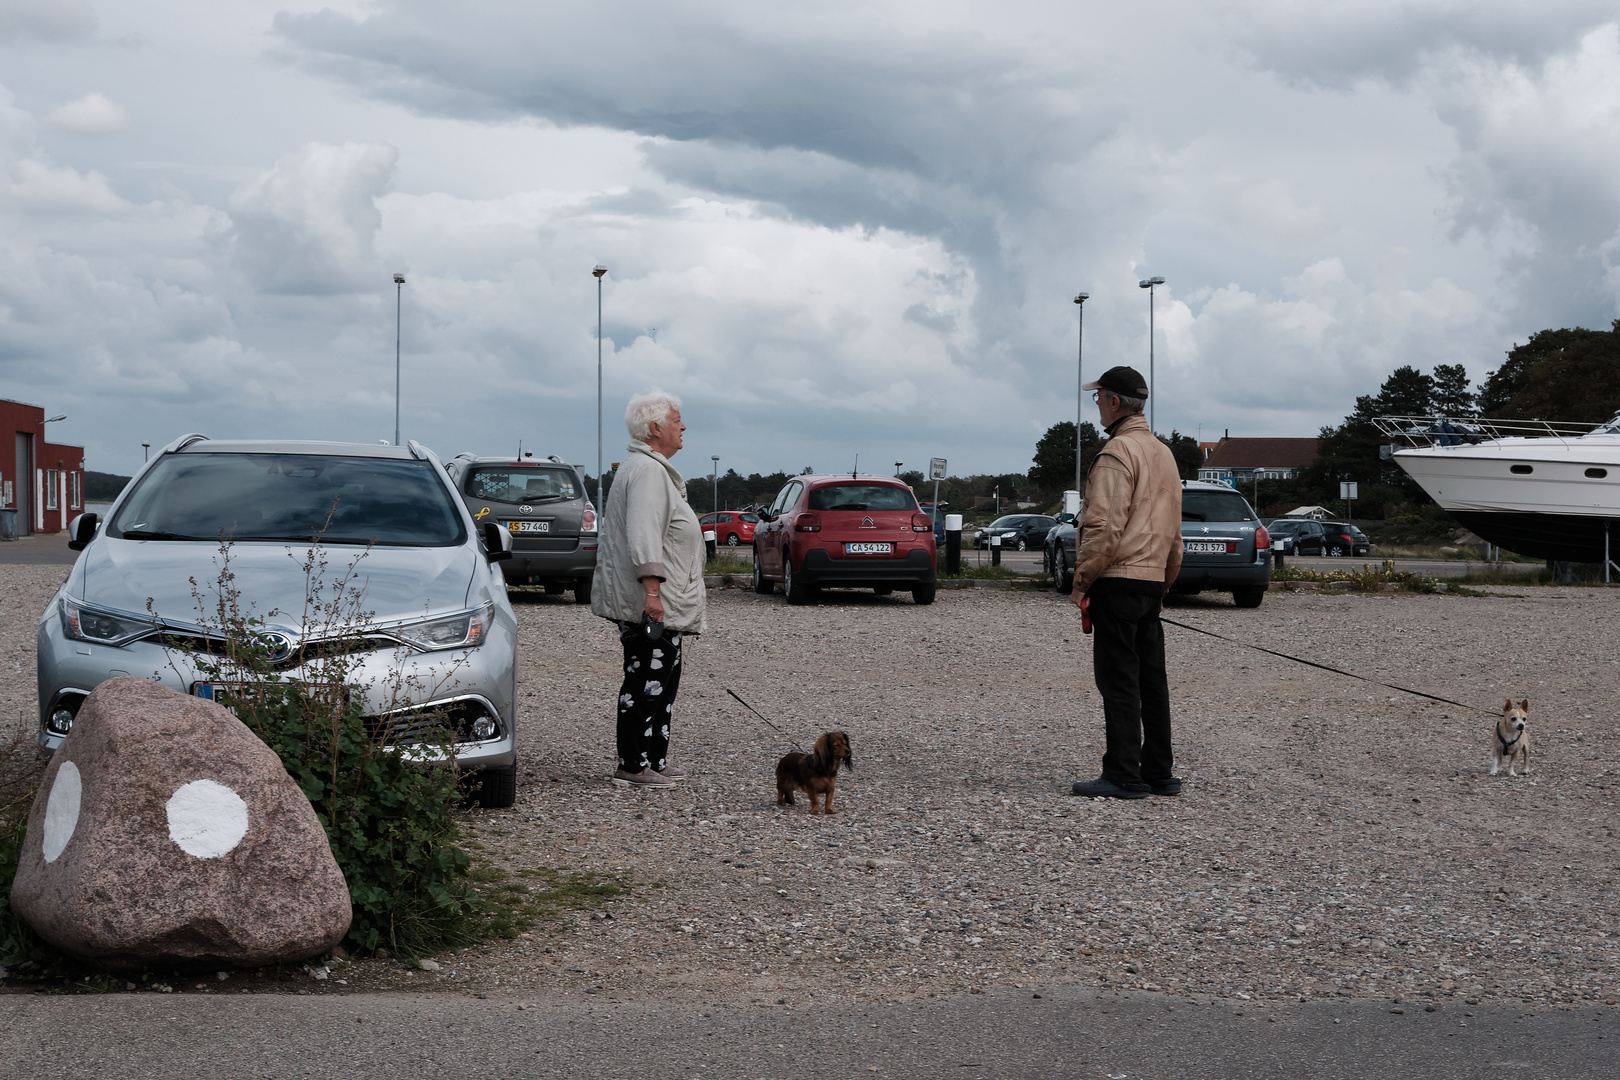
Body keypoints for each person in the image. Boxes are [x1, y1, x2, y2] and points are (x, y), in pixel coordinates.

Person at [1069, 365, 1183, 800]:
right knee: (1152, 681)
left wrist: (1083, 581)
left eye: (1098, 397)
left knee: (1119, 680)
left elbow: (1102, 525)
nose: (1096, 404)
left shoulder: (1117, 453)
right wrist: (1164, 581)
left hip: (1117, 581)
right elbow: (1174, 530)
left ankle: (1123, 773)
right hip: (1151, 581)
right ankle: (1159, 772)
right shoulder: (1164, 454)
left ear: (1115, 402)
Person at [591, 390, 707, 786]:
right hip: (651, 602)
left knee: (664, 679)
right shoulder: (647, 471)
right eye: (677, 420)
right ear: (656, 428)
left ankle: (654, 759)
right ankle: (632, 765)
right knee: (645, 679)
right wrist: (653, 594)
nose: (683, 427)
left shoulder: (652, 469)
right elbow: (643, 535)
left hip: (662, 601)